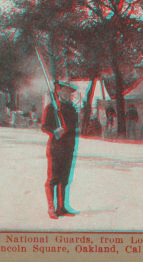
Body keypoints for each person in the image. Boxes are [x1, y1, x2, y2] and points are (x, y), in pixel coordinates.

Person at [42, 81, 79, 219]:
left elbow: (74, 125)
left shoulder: (72, 108)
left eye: (70, 92)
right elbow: (44, 126)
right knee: (53, 179)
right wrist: (55, 131)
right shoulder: (52, 107)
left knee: (64, 179)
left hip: (69, 147)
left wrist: (66, 128)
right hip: (56, 148)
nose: (68, 94)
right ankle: (52, 209)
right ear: (60, 91)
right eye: (66, 91)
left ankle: (62, 207)